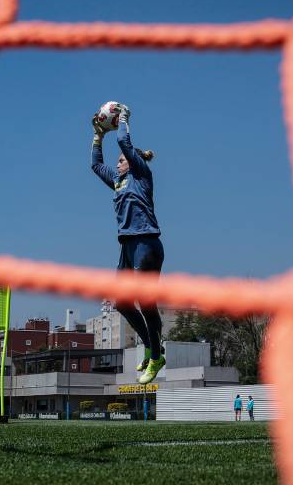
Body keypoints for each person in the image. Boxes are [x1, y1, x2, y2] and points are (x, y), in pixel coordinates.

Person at [91, 103, 165, 385]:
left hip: (146, 242)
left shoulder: (140, 174)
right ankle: (150, 347)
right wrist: (98, 136)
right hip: (126, 247)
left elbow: (123, 139)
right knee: (121, 301)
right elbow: (95, 165)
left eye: (121, 159)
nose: (118, 162)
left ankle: (157, 356)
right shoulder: (119, 181)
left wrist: (123, 118)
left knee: (146, 303)